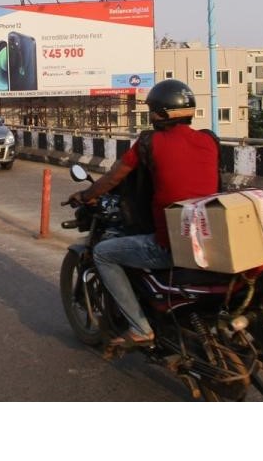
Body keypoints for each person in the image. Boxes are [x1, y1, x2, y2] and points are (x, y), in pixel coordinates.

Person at [69, 79, 220, 347]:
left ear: (160, 114)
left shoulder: (149, 142)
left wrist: (85, 195)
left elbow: (113, 177)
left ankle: (140, 327)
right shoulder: (209, 140)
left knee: (103, 253)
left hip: (171, 244)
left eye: (152, 110)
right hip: (209, 237)